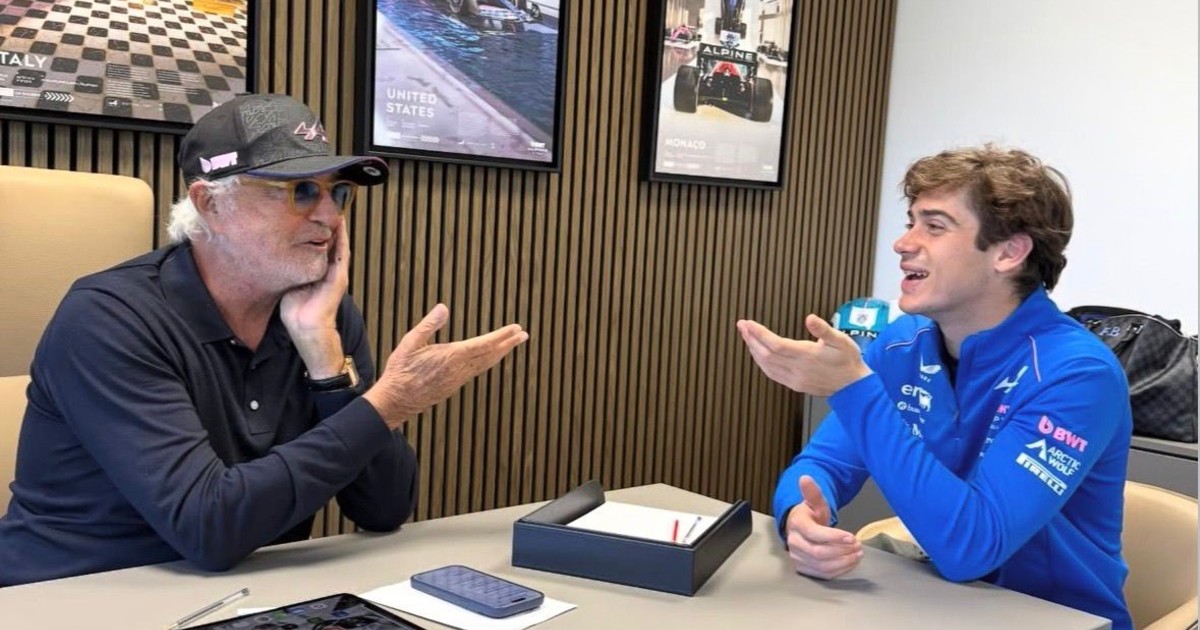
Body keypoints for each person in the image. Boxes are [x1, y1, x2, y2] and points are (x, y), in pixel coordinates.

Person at [0, 94, 527, 586]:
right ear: (210, 203)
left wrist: (327, 364)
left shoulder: (321, 313)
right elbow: (208, 527)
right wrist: (387, 404)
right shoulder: (108, 318)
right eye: (301, 191)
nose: (330, 216)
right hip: (71, 593)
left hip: (241, 592)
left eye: (337, 193)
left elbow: (383, 509)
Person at [737, 145, 1132, 629]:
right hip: (938, 604)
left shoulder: (1078, 374)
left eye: (935, 226)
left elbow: (972, 547)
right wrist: (800, 517)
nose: (903, 243)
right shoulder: (904, 342)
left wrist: (853, 389)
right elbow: (823, 465)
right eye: (911, 222)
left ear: (1008, 252)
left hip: (1055, 617)